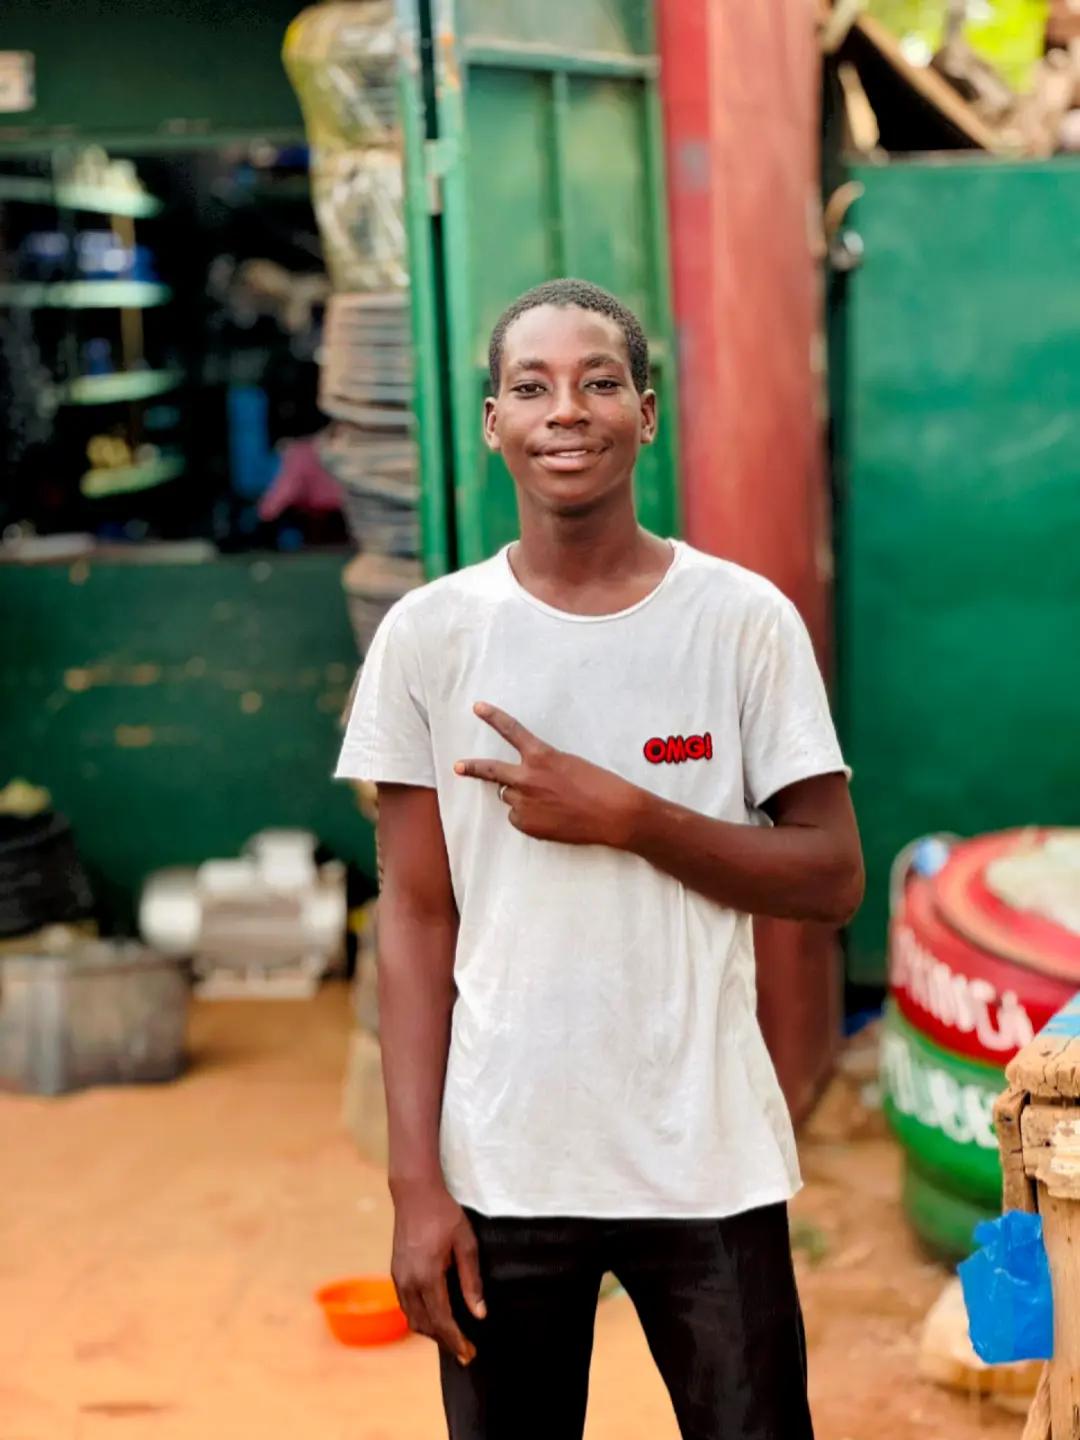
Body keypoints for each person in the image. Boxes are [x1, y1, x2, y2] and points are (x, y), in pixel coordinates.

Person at [335, 278, 864, 1440]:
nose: (566, 409)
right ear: (494, 424)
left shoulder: (741, 622)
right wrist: (416, 1186)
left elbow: (831, 877)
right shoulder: (431, 637)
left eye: (599, 382)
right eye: (531, 387)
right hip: (506, 1162)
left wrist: (635, 817)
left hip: (706, 1157)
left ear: (646, 413)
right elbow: (416, 920)